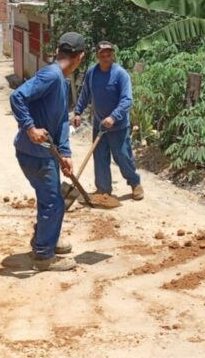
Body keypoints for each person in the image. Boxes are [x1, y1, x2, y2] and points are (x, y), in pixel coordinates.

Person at [10, 32, 86, 271]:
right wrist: (30, 127)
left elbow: (62, 119)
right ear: (80, 57)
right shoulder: (51, 75)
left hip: (46, 154)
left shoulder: (61, 81)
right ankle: (43, 255)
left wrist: (65, 153)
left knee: (54, 199)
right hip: (34, 154)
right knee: (53, 201)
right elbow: (17, 96)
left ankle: (46, 240)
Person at [73, 41, 143, 200]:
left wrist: (113, 117)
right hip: (99, 125)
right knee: (100, 158)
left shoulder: (120, 74)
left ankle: (135, 184)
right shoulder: (92, 72)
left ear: (113, 54)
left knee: (123, 157)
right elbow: (85, 93)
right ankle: (103, 190)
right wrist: (78, 112)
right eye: (102, 54)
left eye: (108, 54)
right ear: (97, 56)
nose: (105, 57)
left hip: (118, 126)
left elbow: (127, 100)